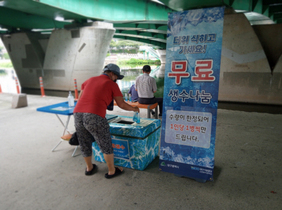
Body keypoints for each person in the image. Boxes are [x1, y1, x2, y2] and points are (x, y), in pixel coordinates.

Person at [73, 63, 139, 178]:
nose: (117, 80)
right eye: (116, 77)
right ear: (112, 74)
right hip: (94, 115)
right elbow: (122, 104)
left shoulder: (89, 80)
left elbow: (81, 98)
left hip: (78, 113)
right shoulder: (111, 84)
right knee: (105, 142)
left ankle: (89, 168)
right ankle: (112, 171)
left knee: (84, 142)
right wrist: (134, 108)